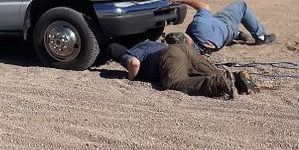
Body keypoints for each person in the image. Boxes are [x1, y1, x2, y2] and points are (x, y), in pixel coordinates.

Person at [107, 37, 257, 99]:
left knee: (175, 83)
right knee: (211, 71)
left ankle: (220, 83)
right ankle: (237, 78)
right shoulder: (146, 43)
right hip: (184, 48)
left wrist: (131, 78)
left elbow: (134, 63)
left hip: (169, 54)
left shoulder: (128, 53)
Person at [169, 0, 275, 55]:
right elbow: (203, 6)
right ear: (187, 38)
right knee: (241, 5)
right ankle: (260, 36)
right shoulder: (198, 27)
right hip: (226, 25)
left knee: (213, 23)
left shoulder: (193, 52)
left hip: (221, 39)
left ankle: (237, 34)